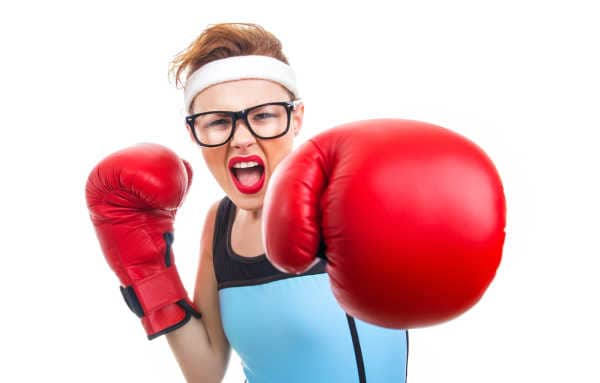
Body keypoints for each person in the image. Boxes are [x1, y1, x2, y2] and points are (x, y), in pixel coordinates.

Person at [87, 22, 408, 383]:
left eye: (263, 116)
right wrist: (147, 275)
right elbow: (205, 372)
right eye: (219, 122)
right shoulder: (218, 223)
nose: (242, 139)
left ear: (296, 117)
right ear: (194, 131)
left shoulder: (342, 202)